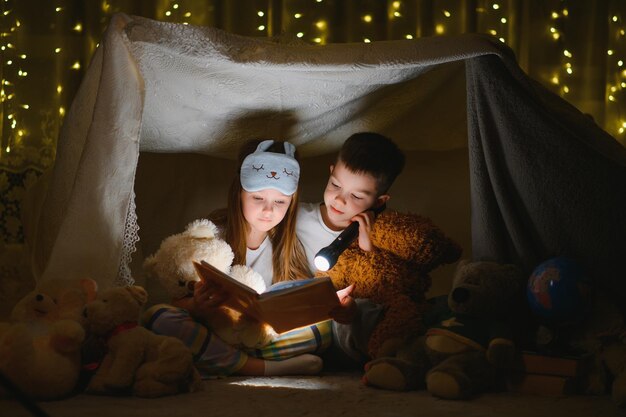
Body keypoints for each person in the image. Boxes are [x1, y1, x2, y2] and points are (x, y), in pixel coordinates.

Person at [144, 139, 331, 377]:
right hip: (216, 331)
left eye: (280, 202)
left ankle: (222, 360)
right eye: (258, 198)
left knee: (325, 328)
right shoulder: (212, 236)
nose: (268, 210)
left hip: (260, 338)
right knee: (158, 317)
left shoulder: (288, 247)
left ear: (291, 203)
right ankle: (261, 368)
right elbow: (178, 302)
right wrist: (197, 306)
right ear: (239, 194)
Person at [296, 131, 406, 368]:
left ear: (378, 202)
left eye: (356, 196)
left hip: (342, 334)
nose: (339, 200)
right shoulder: (297, 218)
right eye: (335, 184)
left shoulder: (378, 239)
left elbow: (383, 294)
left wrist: (367, 249)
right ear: (331, 171)